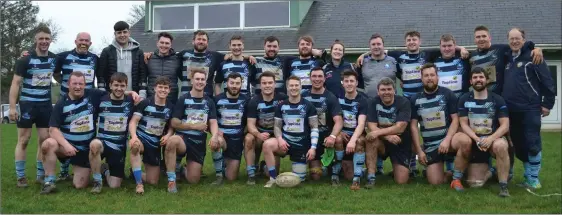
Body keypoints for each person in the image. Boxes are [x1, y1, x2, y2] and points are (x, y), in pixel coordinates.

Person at [39, 72, 140, 194]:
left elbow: (115, 92)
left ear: (85, 85)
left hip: (85, 149)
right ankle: (49, 181)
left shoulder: (93, 95)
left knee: (80, 185)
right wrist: (66, 145)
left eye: (81, 84)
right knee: (48, 144)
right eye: (74, 83)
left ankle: (102, 170)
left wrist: (132, 93)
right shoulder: (61, 103)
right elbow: (53, 130)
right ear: (68, 84)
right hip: (67, 147)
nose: (78, 87)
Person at [502, 28, 556, 190]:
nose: (514, 41)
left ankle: (534, 179)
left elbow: (547, 81)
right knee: (519, 145)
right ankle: (527, 176)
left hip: (530, 109)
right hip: (511, 110)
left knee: (532, 143)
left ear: (524, 39)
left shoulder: (533, 56)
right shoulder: (507, 58)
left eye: (518, 38)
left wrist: (547, 104)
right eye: (511, 39)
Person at [450, 67, 511, 197]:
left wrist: (490, 139)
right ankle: (457, 178)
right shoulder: (464, 98)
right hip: (472, 141)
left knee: (501, 145)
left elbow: (505, 125)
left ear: (486, 80)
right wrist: (477, 139)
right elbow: (463, 124)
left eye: (481, 77)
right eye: (475, 77)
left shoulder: (497, 99)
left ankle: (503, 187)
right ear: (471, 81)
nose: (478, 80)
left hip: (491, 140)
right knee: (474, 183)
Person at [9, 25, 57, 187]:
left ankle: (40, 174)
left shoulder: (53, 59)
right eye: (41, 38)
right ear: (35, 40)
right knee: (24, 139)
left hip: (45, 105)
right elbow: (15, 83)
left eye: (47, 39)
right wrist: (13, 107)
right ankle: (21, 177)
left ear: (51, 40)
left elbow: (59, 74)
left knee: (44, 140)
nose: (44, 41)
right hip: (27, 104)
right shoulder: (25, 59)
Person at [163, 68, 219, 192]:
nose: (200, 82)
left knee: (193, 180)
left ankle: (182, 169)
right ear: (192, 81)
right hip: (183, 139)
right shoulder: (183, 99)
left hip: (198, 142)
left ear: (206, 82)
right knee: (172, 141)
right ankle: (172, 181)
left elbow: (213, 122)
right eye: (197, 79)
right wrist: (194, 126)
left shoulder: (209, 101)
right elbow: (174, 122)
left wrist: (214, 136)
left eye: (202, 79)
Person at [262, 76, 319, 188]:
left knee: (298, 180)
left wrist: (313, 147)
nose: (294, 88)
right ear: (287, 87)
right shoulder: (281, 106)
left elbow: (314, 128)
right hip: (285, 143)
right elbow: (277, 127)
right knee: (267, 145)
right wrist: (280, 139)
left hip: (301, 145)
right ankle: (272, 178)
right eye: (291, 85)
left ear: (300, 87)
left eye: (296, 85)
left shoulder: (308, 106)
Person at [410, 63, 460, 185]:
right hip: (431, 146)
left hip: (449, 142)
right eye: (426, 75)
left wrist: (447, 140)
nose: (429, 78)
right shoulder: (415, 99)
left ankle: (458, 176)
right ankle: (450, 173)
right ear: (421, 79)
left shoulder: (448, 94)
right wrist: (419, 151)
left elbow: (455, 120)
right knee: (436, 182)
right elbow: (413, 126)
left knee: (464, 141)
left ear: (437, 77)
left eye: (432, 75)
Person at [89, 72, 139, 193]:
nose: (119, 88)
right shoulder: (100, 99)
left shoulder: (131, 101)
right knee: (94, 145)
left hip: (119, 147)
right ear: (110, 85)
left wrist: (132, 93)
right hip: (102, 142)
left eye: (122, 86)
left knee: (114, 185)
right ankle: (97, 181)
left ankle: (105, 170)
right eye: (116, 85)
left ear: (126, 86)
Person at [128, 76, 175, 194]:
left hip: (155, 143)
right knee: (135, 146)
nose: (163, 90)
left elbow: (171, 127)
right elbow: (133, 121)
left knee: (153, 181)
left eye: (166, 88)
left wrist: (169, 135)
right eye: (160, 87)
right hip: (141, 138)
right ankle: (139, 184)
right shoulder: (145, 103)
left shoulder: (170, 107)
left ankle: (134, 171)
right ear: (155, 88)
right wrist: (134, 136)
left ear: (169, 90)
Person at [365, 77, 413, 186]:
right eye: (383, 90)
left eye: (389, 89)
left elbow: (400, 127)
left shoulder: (403, 102)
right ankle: (371, 177)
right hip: (383, 142)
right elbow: (371, 125)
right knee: (370, 140)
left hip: (400, 143)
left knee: (401, 181)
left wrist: (378, 133)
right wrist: (387, 137)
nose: (386, 92)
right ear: (378, 91)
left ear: (394, 91)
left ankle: (398, 170)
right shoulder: (373, 102)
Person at [244, 71, 288, 185]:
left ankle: (263, 166)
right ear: (260, 85)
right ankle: (251, 173)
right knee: (248, 139)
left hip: (275, 136)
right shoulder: (254, 101)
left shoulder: (282, 98)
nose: (267, 85)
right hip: (259, 134)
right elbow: (250, 124)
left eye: (270, 83)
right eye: (264, 83)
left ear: (274, 84)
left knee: (273, 173)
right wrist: (258, 134)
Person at [302, 67, 343, 181]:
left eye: (320, 76)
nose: (317, 79)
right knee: (315, 177)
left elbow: (339, 121)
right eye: (314, 76)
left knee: (338, 139)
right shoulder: (303, 96)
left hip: (325, 139)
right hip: (309, 139)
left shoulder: (330, 97)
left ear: (325, 79)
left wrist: (332, 136)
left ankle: (336, 167)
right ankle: (321, 165)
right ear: (310, 78)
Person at [332, 70, 369, 189]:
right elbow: (336, 120)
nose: (349, 84)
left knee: (359, 142)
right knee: (337, 139)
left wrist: (353, 140)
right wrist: (340, 132)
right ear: (343, 83)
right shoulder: (337, 98)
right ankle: (335, 174)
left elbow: (361, 123)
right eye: (346, 81)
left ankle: (356, 179)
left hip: (357, 133)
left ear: (356, 83)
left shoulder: (363, 100)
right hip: (342, 133)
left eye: (351, 81)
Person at [211, 72, 249, 185]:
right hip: (222, 136)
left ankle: (223, 163)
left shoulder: (246, 100)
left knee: (231, 177)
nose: (234, 86)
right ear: (226, 83)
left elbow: (249, 122)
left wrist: (243, 134)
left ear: (241, 84)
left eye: (237, 83)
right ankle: (218, 176)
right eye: (232, 83)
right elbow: (212, 121)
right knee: (216, 141)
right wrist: (216, 133)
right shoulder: (216, 100)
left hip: (237, 140)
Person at [98, 21, 146, 96]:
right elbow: (101, 74)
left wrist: (142, 93)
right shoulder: (107, 51)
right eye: (119, 32)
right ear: (115, 34)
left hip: (133, 95)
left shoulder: (138, 52)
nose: (122, 35)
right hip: (112, 96)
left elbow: (142, 75)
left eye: (125, 32)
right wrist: (103, 93)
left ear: (129, 33)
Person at [145, 32, 182, 104]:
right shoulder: (149, 58)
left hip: (171, 100)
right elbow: (142, 78)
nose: (164, 45)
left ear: (171, 45)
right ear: (157, 43)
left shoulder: (178, 59)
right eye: (162, 42)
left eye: (167, 43)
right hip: (151, 98)